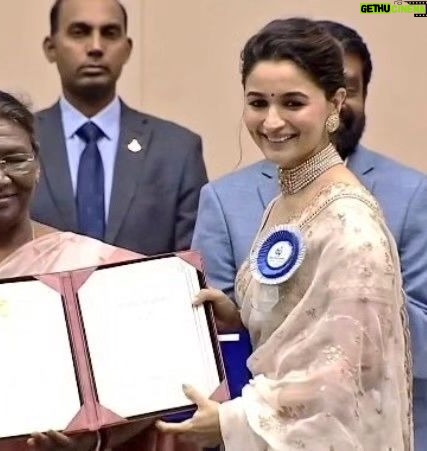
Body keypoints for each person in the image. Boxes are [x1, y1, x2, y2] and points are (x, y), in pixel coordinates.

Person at [157, 18, 413, 449]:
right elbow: (305, 323)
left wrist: (227, 421)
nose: (272, 122)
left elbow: (342, 379)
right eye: (258, 103)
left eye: (293, 103)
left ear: (335, 105)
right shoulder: (289, 197)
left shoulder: (350, 223)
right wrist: (237, 313)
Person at [0, 89, 201, 451]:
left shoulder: (94, 265)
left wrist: (92, 442)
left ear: (37, 166)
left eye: (14, 160)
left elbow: (163, 384)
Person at [31, 0, 208, 255]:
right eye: (79, 32)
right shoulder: (20, 144)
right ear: (51, 47)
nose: (95, 47)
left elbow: (190, 263)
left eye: (110, 33)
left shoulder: (176, 150)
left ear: (127, 49)